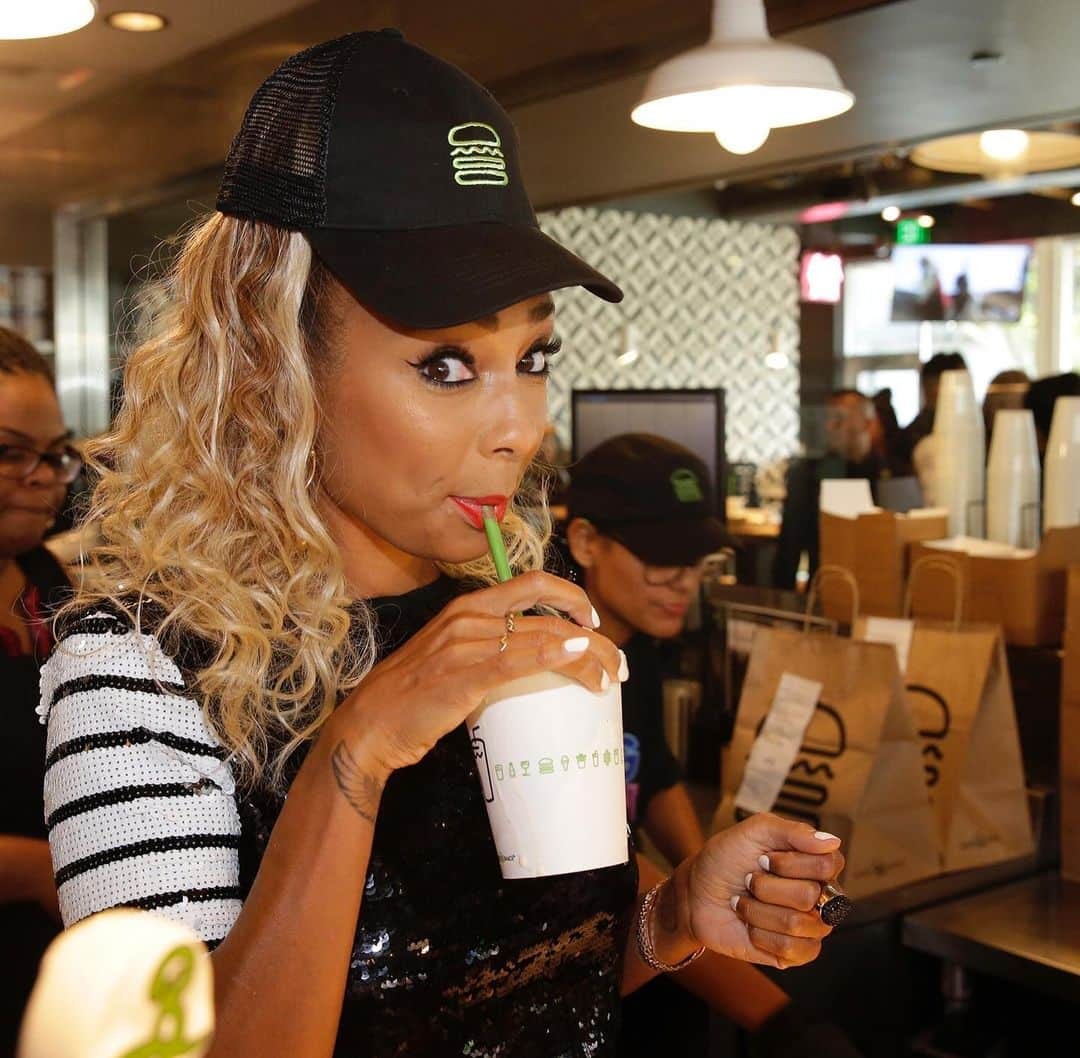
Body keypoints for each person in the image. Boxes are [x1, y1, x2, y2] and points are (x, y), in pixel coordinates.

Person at [41, 32, 844, 1058]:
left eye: (533, 354)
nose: (519, 426)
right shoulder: (136, 670)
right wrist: (357, 747)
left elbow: (523, 985)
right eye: (448, 365)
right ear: (269, 367)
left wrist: (670, 917)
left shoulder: (513, 606)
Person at [565, 434, 863, 1058]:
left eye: (695, 558)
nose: (682, 582)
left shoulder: (631, 645)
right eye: (659, 558)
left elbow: (659, 782)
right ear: (586, 541)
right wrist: (783, 1025)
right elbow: (618, 863)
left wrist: (722, 878)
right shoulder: (553, 665)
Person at [0, 327, 77, 1053]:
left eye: (53, 455)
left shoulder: (55, 587)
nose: (43, 476)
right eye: (8, 452)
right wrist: (41, 870)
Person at [772, 390, 882, 590]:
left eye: (839, 419)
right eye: (828, 419)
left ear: (867, 424)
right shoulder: (807, 474)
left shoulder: (889, 472)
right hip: (824, 592)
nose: (830, 427)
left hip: (879, 593)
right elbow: (789, 549)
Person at [894, 351, 968, 473]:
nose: (966, 391)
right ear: (935, 387)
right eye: (962, 383)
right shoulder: (912, 438)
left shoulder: (967, 429)